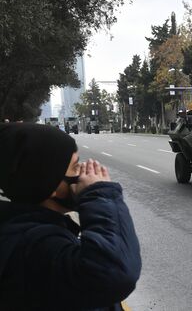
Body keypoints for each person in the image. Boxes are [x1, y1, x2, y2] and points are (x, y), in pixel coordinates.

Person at [0, 123, 141, 310]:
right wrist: (99, 194)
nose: (83, 172)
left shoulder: (27, 227)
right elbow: (115, 274)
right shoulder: (37, 245)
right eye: (75, 167)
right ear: (50, 185)